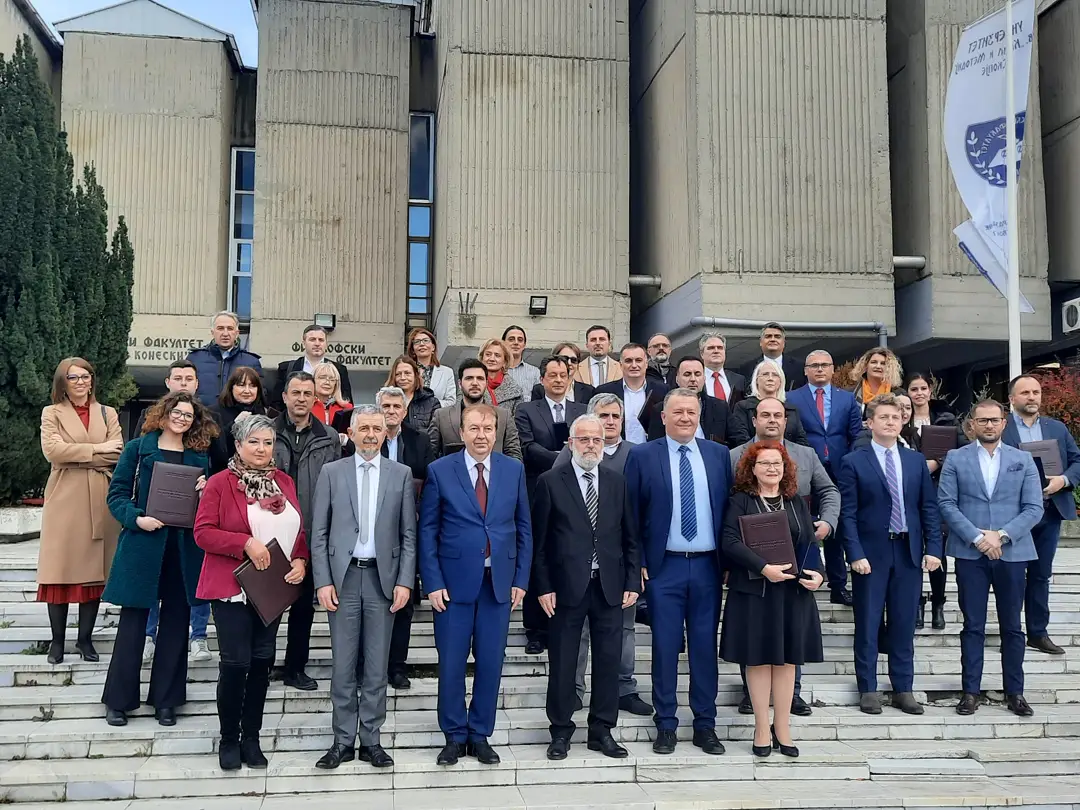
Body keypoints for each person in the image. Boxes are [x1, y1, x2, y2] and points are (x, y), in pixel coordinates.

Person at [194, 413, 309, 771]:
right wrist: (244, 543)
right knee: (235, 664)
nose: (261, 449)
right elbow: (203, 532)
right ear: (238, 445)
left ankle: (251, 738)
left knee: (261, 662)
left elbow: (298, 530)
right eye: (254, 442)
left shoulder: (284, 482)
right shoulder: (220, 483)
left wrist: (301, 559)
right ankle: (229, 738)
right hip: (232, 589)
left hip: (271, 589)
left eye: (268, 442)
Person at [418, 404, 532, 767]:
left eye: (488, 428)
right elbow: (427, 531)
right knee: (451, 663)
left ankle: (480, 733)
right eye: (474, 428)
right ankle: (454, 735)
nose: (481, 435)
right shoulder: (440, 470)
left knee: (490, 662)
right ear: (462, 432)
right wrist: (432, 582)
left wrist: (521, 579)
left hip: (498, 585)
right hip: (452, 587)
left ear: (496, 432)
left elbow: (524, 527)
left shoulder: (513, 470)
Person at [624, 389, 731, 756]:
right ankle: (666, 723)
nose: (685, 417)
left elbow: (727, 511)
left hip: (707, 566)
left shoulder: (718, 455)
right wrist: (638, 560)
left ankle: (705, 724)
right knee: (665, 646)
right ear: (663, 417)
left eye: (691, 411)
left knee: (704, 646)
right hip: (663, 567)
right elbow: (631, 514)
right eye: (677, 412)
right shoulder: (642, 455)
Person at [311, 406, 417, 770]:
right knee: (343, 665)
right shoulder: (332, 472)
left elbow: (408, 534)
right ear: (352, 433)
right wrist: (323, 580)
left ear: (386, 434)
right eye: (364, 428)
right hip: (343, 579)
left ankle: (371, 739)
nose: (370, 434)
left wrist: (405, 581)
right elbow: (319, 532)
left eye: (377, 428)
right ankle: (342, 740)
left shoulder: (401, 474)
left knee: (376, 665)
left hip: (381, 581)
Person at [101, 392, 215, 727]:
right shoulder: (138, 449)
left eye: (188, 415)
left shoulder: (199, 456)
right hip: (143, 545)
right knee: (132, 626)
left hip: (182, 549)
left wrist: (206, 491)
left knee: (177, 624)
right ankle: (119, 701)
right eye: (177, 412)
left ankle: (167, 700)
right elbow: (117, 495)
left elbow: (206, 509)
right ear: (163, 414)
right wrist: (137, 518)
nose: (181, 418)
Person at [533, 414, 640, 761]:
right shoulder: (550, 481)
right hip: (565, 587)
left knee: (608, 661)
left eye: (597, 439)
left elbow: (630, 537)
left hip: (609, 586)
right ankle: (561, 731)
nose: (591, 445)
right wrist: (544, 586)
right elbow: (540, 543)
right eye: (584, 439)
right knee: (564, 661)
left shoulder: (617, 482)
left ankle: (601, 731)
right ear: (571, 443)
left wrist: (632, 580)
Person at [730, 397, 840, 717]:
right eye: (765, 415)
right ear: (754, 420)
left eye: (778, 415)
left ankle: (792, 695)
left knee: (789, 636)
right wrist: (751, 565)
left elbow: (826, 497)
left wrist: (826, 527)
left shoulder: (803, 460)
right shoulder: (734, 459)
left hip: (792, 574)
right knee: (755, 637)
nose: (772, 420)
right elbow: (729, 525)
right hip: (752, 573)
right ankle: (752, 696)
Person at [838, 393, 943, 716]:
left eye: (895, 417)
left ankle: (903, 688)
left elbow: (928, 507)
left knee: (903, 622)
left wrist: (934, 549)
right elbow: (848, 513)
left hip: (908, 551)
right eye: (883, 417)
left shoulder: (915, 461)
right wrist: (854, 552)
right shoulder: (853, 461)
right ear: (869, 423)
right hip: (871, 554)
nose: (890, 422)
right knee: (868, 622)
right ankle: (868, 688)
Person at [938, 400, 1044, 717]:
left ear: (1004, 423)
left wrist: (1002, 535)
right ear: (972, 423)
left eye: (994, 420)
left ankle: (1015, 693)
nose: (989, 425)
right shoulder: (956, 458)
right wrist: (978, 538)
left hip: (1013, 553)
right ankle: (970, 692)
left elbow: (1034, 507)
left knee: (1012, 626)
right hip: (970, 553)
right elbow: (946, 503)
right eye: (982, 420)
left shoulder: (1023, 459)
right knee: (973, 625)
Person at [720, 442, 825, 758]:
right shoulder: (740, 500)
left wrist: (819, 574)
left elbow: (809, 543)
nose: (771, 468)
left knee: (787, 660)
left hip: (792, 592)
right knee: (758, 659)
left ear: (786, 468)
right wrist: (763, 567)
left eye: (777, 463)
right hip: (755, 591)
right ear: (752, 469)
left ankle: (783, 728)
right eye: (764, 463)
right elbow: (729, 541)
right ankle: (761, 729)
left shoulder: (796, 502)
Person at [555, 394, 651, 716]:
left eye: (615, 416)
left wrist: (638, 565)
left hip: (617, 566)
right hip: (577, 568)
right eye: (603, 415)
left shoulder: (636, 455)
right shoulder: (569, 456)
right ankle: (574, 691)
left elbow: (639, 517)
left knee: (624, 630)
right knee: (579, 633)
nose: (609, 421)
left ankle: (623, 689)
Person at [37, 358, 123, 665]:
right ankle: (57, 642)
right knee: (59, 569)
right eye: (73, 377)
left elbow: (118, 452)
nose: (81, 382)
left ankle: (85, 639)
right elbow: (53, 452)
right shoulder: (52, 413)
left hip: (100, 496)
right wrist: (97, 449)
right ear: (63, 382)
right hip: (64, 497)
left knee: (94, 572)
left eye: (86, 376)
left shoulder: (107, 412)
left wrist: (78, 454)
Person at [355, 386, 433, 690]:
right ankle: (364, 666)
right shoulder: (366, 439)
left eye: (396, 407)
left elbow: (429, 483)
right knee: (366, 606)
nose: (391, 412)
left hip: (405, 530)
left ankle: (396, 667)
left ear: (405, 411)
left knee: (403, 604)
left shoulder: (419, 440)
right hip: (368, 531)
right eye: (385, 406)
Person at [271, 371, 341, 691]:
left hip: (312, 532)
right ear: (285, 396)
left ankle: (295, 668)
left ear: (315, 399)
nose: (301, 398)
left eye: (307, 393)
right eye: (295, 392)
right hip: (272, 532)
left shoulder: (328, 436)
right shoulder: (267, 431)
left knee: (302, 608)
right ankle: (263, 665)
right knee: (267, 604)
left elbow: (335, 486)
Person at [1003, 375, 1080, 655]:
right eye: (1025, 392)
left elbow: (1077, 460)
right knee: (1012, 576)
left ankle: (1037, 633)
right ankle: (1011, 632)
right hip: (1014, 514)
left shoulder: (1056, 428)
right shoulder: (1002, 428)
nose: (1032, 397)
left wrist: (1063, 480)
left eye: (1036, 392)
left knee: (1040, 575)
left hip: (1049, 511)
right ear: (1012, 398)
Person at [516, 356, 588, 654]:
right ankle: (535, 629)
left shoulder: (582, 410)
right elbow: (527, 447)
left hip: (576, 494)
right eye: (552, 375)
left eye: (563, 375)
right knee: (540, 553)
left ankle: (562, 623)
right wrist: (563, 458)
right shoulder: (526, 410)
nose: (558, 380)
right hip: (540, 490)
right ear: (542, 379)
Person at [788, 349, 864, 607]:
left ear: (833, 369)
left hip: (840, 470)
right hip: (805, 470)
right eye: (814, 365)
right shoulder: (792, 398)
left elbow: (856, 434)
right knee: (803, 523)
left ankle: (838, 585)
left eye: (824, 365)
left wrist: (850, 463)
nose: (819, 369)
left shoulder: (847, 399)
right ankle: (803, 575)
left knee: (836, 527)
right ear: (805, 371)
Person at [905, 372, 967, 631]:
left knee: (936, 549)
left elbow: (963, 449)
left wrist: (938, 462)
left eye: (923, 388)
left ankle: (938, 602)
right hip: (910, 491)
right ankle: (917, 602)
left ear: (930, 391)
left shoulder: (946, 418)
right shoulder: (902, 419)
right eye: (914, 389)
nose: (919, 393)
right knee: (913, 551)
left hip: (940, 490)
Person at [429, 359, 522, 460]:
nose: (475, 383)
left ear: (486, 383)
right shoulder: (441, 416)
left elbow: (514, 455)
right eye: (469, 378)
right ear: (460, 383)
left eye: (480, 378)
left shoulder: (503, 416)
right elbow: (430, 455)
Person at [593, 343, 668, 445]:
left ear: (646, 364)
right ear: (620, 365)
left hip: (653, 450)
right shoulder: (604, 391)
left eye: (638, 360)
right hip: (617, 451)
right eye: (628, 361)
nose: (634, 365)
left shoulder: (662, 391)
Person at [642, 356, 729, 443]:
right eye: (687, 374)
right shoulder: (661, 409)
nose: (693, 379)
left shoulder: (720, 407)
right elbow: (656, 444)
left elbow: (734, 439)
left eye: (697, 374)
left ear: (704, 378)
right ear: (677, 379)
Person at [187, 311, 263, 407]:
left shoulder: (251, 361)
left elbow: (260, 396)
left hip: (237, 415)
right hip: (201, 414)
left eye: (230, 329)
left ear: (237, 333)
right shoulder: (195, 358)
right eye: (220, 328)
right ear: (212, 332)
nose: (225, 333)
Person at [728, 359, 807, 447]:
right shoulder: (743, 407)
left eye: (775, 375)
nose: (770, 378)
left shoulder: (791, 409)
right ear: (756, 380)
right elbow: (741, 440)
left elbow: (801, 440)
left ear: (781, 381)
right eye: (765, 374)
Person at [272, 324, 353, 409]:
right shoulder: (286, 368)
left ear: (326, 344)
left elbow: (347, 401)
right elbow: (277, 404)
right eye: (312, 339)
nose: (317, 344)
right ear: (304, 343)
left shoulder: (339, 370)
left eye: (321, 340)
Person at [208, 366, 267, 475]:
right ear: (231, 387)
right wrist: (234, 425)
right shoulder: (214, 412)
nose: (247, 391)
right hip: (222, 473)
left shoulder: (263, 412)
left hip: (256, 474)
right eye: (241, 385)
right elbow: (216, 450)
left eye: (252, 386)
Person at [132, 360, 200, 437]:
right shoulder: (149, 415)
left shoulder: (207, 416)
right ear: (167, 382)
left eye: (189, 379)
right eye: (178, 379)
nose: (183, 383)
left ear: (196, 383)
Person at [737, 322, 805, 390]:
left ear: (784, 342)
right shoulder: (747, 369)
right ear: (761, 342)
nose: (773, 339)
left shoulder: (800, 367)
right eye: (768, 336)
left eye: (777, 336)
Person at [387, 355, 441, 433]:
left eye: (407, 373)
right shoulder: (385, 400)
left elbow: (435, 434)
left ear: (416, 375)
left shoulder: (432, 403)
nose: (403, 378)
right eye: (398, 374)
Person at [408, 327, 457, 408]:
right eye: (417, 342)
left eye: (426, 340)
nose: (422, 344)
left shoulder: (447, 372)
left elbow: (451, 401)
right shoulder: (407, 371)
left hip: (436, 414)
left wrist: (431, 404)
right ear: (413, 349)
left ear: (433, 347)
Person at [531, 342, 595, 403]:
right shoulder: (540, 389)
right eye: (564, 359)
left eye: (574, 360)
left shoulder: (588, 391)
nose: (569, 363)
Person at [478, 338, 525, 415]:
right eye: (488, 354)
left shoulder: (516, 390)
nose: (492, 359)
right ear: (482, 358)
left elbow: (518, 419)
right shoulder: (469, 384)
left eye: (497, 355)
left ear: (505, 362)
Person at [850, 347, 903, 415]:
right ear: (866, 366)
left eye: (883, 363)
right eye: (874, 362)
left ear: (889, 368)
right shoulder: (850, 394)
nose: (878, 366)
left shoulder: (899, 394)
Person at [699, 332, 745, 405]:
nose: (716, 351)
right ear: (702, 354)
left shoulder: (739, 380)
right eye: (711, 348)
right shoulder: (696, 379)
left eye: (720, 348)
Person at [502, 324, 541, 403]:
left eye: (520, 340)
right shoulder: (496, 370)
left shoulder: (535, 372)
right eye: (511, 339)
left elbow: (539, 401)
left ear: (524, 345)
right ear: (503, 343)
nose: (516, 343)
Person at [311, 363, 353, 433]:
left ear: (336, 384)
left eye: (332, 379)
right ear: (313, 381)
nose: (327, 382)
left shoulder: (347, 408)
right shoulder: (306, 405)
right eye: (322, 378)